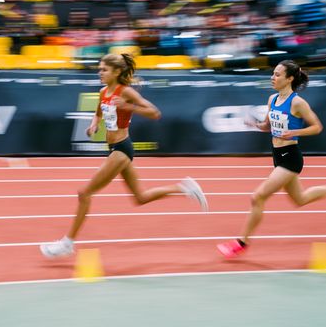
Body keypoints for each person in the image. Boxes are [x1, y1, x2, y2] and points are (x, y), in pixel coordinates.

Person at [40, 53, 208, 258]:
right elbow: (100, 111)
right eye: (99, 69)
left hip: (122, 149)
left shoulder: (126, 92)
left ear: (117, 71)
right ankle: (183, 187)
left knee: (84, 193)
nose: (99, 72)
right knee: (140, 198)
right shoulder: (103, 92)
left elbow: (155, 113)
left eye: (104, 69)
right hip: (114, 149)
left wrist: (127, 106)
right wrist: (94, 123)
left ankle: (67, 243)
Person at [217, 60, 326, 259]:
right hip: (277, 156)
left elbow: (317, 127)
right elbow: (267, 126)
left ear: (290, 78)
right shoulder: (272, 99)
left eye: (277, 74)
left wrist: (295, 131)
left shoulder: (298, 103)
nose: (272, 77)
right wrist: (255, 124)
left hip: (291, 158)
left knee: (257, 196)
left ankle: (241, 242)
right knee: (300, 199)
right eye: (273, 73)